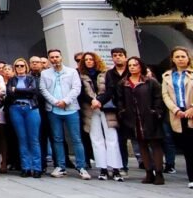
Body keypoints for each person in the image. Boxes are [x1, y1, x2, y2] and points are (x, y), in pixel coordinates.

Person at [39, 49, 90, 180]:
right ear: (49, 59)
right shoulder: (45, 73)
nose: (55, 59)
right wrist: (55, 101)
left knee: (76, 138)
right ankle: (60, 166)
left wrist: (66, 101)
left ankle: (81, 166)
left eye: (57, 56)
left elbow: (76, 88)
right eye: (52, 57)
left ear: (61, 57)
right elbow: (43, 89)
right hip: (53, 109)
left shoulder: (72, 72)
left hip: (71, 109)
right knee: (57, 139)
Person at [116, 56, 165, 185]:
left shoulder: (150, 81)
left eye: (135, 65)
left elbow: (158, 98)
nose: (132, 67)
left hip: (150, 116)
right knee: (141, 144)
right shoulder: (124, 83)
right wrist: (122, 112)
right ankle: (149, 172)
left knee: (155, 144)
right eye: (130, 65)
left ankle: (159, 172)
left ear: (141, 66)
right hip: (133, 118)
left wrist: (156, 112)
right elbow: (120, 100)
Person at [79, 52, 123, 181]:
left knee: (112, 138)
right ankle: (103, 168)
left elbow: (111, 90)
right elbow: (81, 92)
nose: (88, 61)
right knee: (96, 139)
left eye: (91, 59)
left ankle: (116, 168)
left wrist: (99, 100)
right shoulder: (81, 75)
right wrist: (92, 101)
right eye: (86, 60)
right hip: (90, 109)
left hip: (106, 108)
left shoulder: (106, 73)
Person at [98, 47, 136, 175]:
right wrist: (99, 101)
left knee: (140, 138)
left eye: (120, 55)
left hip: (135, 107)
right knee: (121, 139)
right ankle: (123, 166)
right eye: (115, 55)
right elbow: (109, 90)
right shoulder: (110, 73)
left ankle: (149, 166)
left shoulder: (132, 70)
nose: (117, 57)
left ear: (125, 56)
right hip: (118, 108)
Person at [161, 46, 193, 189]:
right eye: (177, 57)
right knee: (187, 147)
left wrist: (192, 107)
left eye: (183, 56)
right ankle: (192, 177)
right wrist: (175, 109)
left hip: (191, 111)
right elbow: (165, 95)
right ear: (173, 59)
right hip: (179, 114)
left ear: (188, 58)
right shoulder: (167, 76)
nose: (180, 59)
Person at [6, 58, 41, 178]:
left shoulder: (31, 78)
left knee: (34, 139)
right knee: (22, 138)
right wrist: (23, 92)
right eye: (17, 66)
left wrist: (17, 90)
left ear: (26, 67)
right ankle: (26, 167)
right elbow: (10, 94)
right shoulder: (11, 80)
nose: (19, 68)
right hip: (16, 109)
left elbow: (33, 92)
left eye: (22, 65)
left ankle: (37, 167)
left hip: (31, 109)